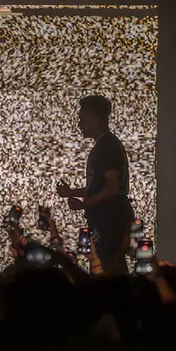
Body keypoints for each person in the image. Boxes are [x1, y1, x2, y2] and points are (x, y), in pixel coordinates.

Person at [56, 95, 134, 274]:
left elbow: (112, 188)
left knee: (108, 266)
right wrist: (71, 193)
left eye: (83, 119)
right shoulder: (104, 146)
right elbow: (99, 186)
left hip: (109, 220)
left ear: (96, 118)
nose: (80, 124)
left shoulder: (107, 147)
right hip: (107, 219)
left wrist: (84, 204)